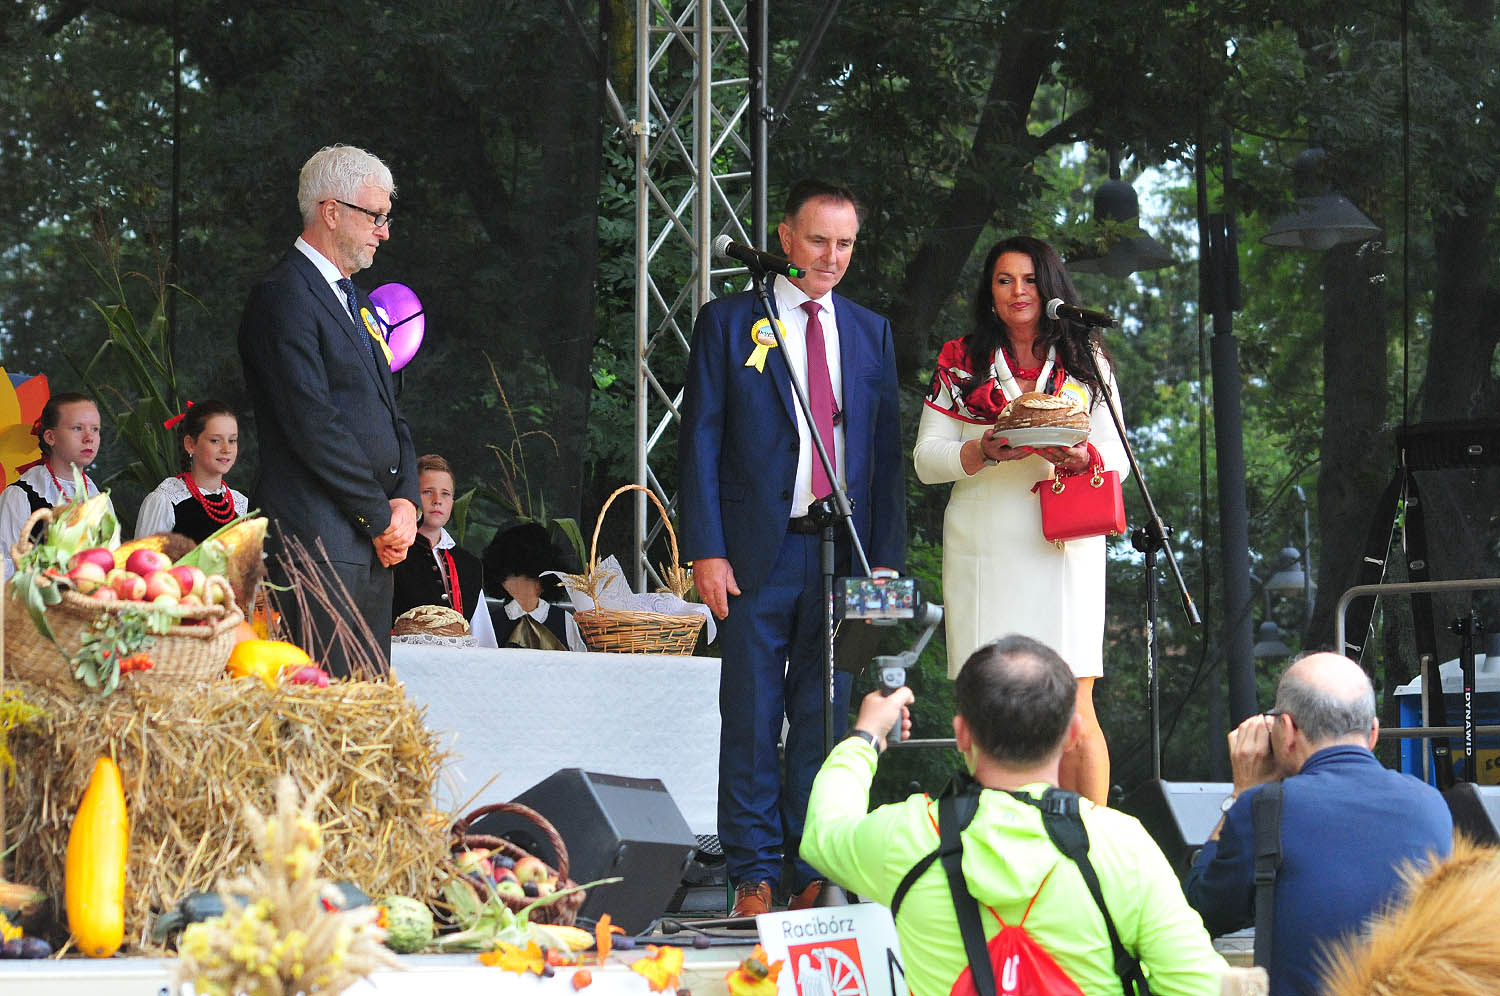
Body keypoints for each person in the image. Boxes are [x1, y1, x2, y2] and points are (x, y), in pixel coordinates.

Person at [678, 179, 906, 917]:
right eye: (818, 240)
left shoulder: (869, 331)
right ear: (784, 238)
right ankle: (753, 873)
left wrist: (885, 563)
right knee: (750, 713)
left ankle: (812, 868)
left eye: (845, 244)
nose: (831, 257)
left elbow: (883, 456)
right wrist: (706, 549)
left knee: (826, 714)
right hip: (755, 552)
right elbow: (701, 439)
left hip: (843, 550)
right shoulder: (729, 320)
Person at [801, 635, 1227, 996]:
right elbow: (1198, 986)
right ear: (1073, 734)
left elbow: (824, 833)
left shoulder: (909, 835)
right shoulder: (1121, 845)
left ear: (961, 734)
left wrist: (865, 737)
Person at [912, 236, 1126, 805]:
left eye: (1030, 280)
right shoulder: (961, 359)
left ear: (1052, 286)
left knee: (1075, 706)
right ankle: (1000, 836)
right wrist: (982, 449)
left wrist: (1081, 457)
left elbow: (1119, 458)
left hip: (1065, 545)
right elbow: (926, 460)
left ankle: (1087, 840)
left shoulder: (1087, 357)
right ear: (989, 291)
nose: (1017, 292)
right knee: (988, 704)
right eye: (1004, 280)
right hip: (985, 548)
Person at [238, 144, 419, 678]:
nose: (384, 232)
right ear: (331, 211)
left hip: (367, 544)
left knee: (364, 703)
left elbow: (391, 412)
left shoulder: (355, 300)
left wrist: (406, 499)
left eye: (386, 218)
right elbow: (312, 423)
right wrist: (381, 516)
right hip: (318, 541)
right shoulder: (283, 295)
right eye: (375, 216)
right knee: (325, 705)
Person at [1185, 652, 1453, 996]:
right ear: (1373, 733)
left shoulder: (1263, 808)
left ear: (1287, 730)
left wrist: (1241, 793)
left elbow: (1199, 912)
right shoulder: (1431, 805)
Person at [0, 393, 115, 580]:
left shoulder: (99, 499)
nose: (89, 438)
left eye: (95, 429)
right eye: (77, 428)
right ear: (50, 437)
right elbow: (4, 569)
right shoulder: (20, 496)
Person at [391, 454, 498, 646]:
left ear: (452, 502)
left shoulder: (470, 565)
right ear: (411, 497)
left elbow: (481, 637)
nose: (437, 500)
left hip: (457, 664)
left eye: (445, 493)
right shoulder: (392, 553)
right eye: (427, 491)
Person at [136, 400, 250, 542]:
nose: (226, 449)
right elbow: (144, 554)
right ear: (190, 444)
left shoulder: (240, 505)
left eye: (232, 440)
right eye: (215, 440)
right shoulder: (167, 501)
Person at [482, 521, 586, 652]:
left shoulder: (564, 621)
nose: (522, 587)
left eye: (529, 579)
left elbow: (580, 660)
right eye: (513, 577)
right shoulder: (492, 623)